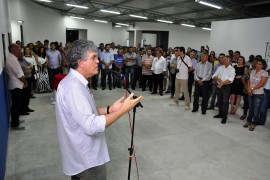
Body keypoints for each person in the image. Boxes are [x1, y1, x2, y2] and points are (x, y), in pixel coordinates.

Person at [55, 40, 143, 179]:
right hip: (87, 162)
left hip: (84, 157)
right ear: (80, 62)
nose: (98, 61)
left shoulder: (75, 83)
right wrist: (122, 110)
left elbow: (86, 111)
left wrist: (110, 109)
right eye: (93, 58)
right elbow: (91, 125)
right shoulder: (73, 88)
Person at [6, 44, 28, 130]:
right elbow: (19, 75)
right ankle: (15, 124)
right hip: (16, 85)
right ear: (13, 50)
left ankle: (16, 120)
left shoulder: (12, 58)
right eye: (19, 49)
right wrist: (25, 82)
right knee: (16, 105)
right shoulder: (12, 60)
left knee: (16, 104)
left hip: (16, 85)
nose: (20, 51)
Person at [243, 59, 268, 131]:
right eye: (257, 63)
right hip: (250, 92)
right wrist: (248, 89)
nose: (257, 65)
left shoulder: (264, 73)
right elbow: (248, 81)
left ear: (263, 66)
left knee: (256, 110)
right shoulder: (253, 71)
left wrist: (252, 89)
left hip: (258, 93)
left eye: (260, 64)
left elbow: (261, 84)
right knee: (250, 108)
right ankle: (249, 121)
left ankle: (254, 123)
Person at [212, 55, 235, 124]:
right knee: (219, 101)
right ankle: (220, 113)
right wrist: (217, 78)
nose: (224, 60)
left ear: (230, 61)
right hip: (219, 86)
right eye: (224, 59)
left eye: (226, 60)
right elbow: (214, 75)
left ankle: (224, 117)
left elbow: (230, 79)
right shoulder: (220, 67)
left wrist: (221, 84)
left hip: (226, 87)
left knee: (225, 102)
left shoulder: (232, 69)